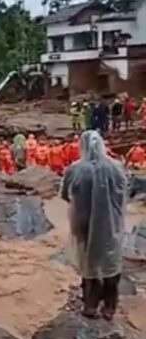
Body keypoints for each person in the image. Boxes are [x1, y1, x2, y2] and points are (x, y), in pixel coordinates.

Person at [61, 130, 127, 320]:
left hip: (83, 223)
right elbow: (124, 191)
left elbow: (65, 194)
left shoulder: (74, 169)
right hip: (110, 223)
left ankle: (90, 305)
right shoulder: (116, 167)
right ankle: (109, 307)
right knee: (111, 261)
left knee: (88, 262)